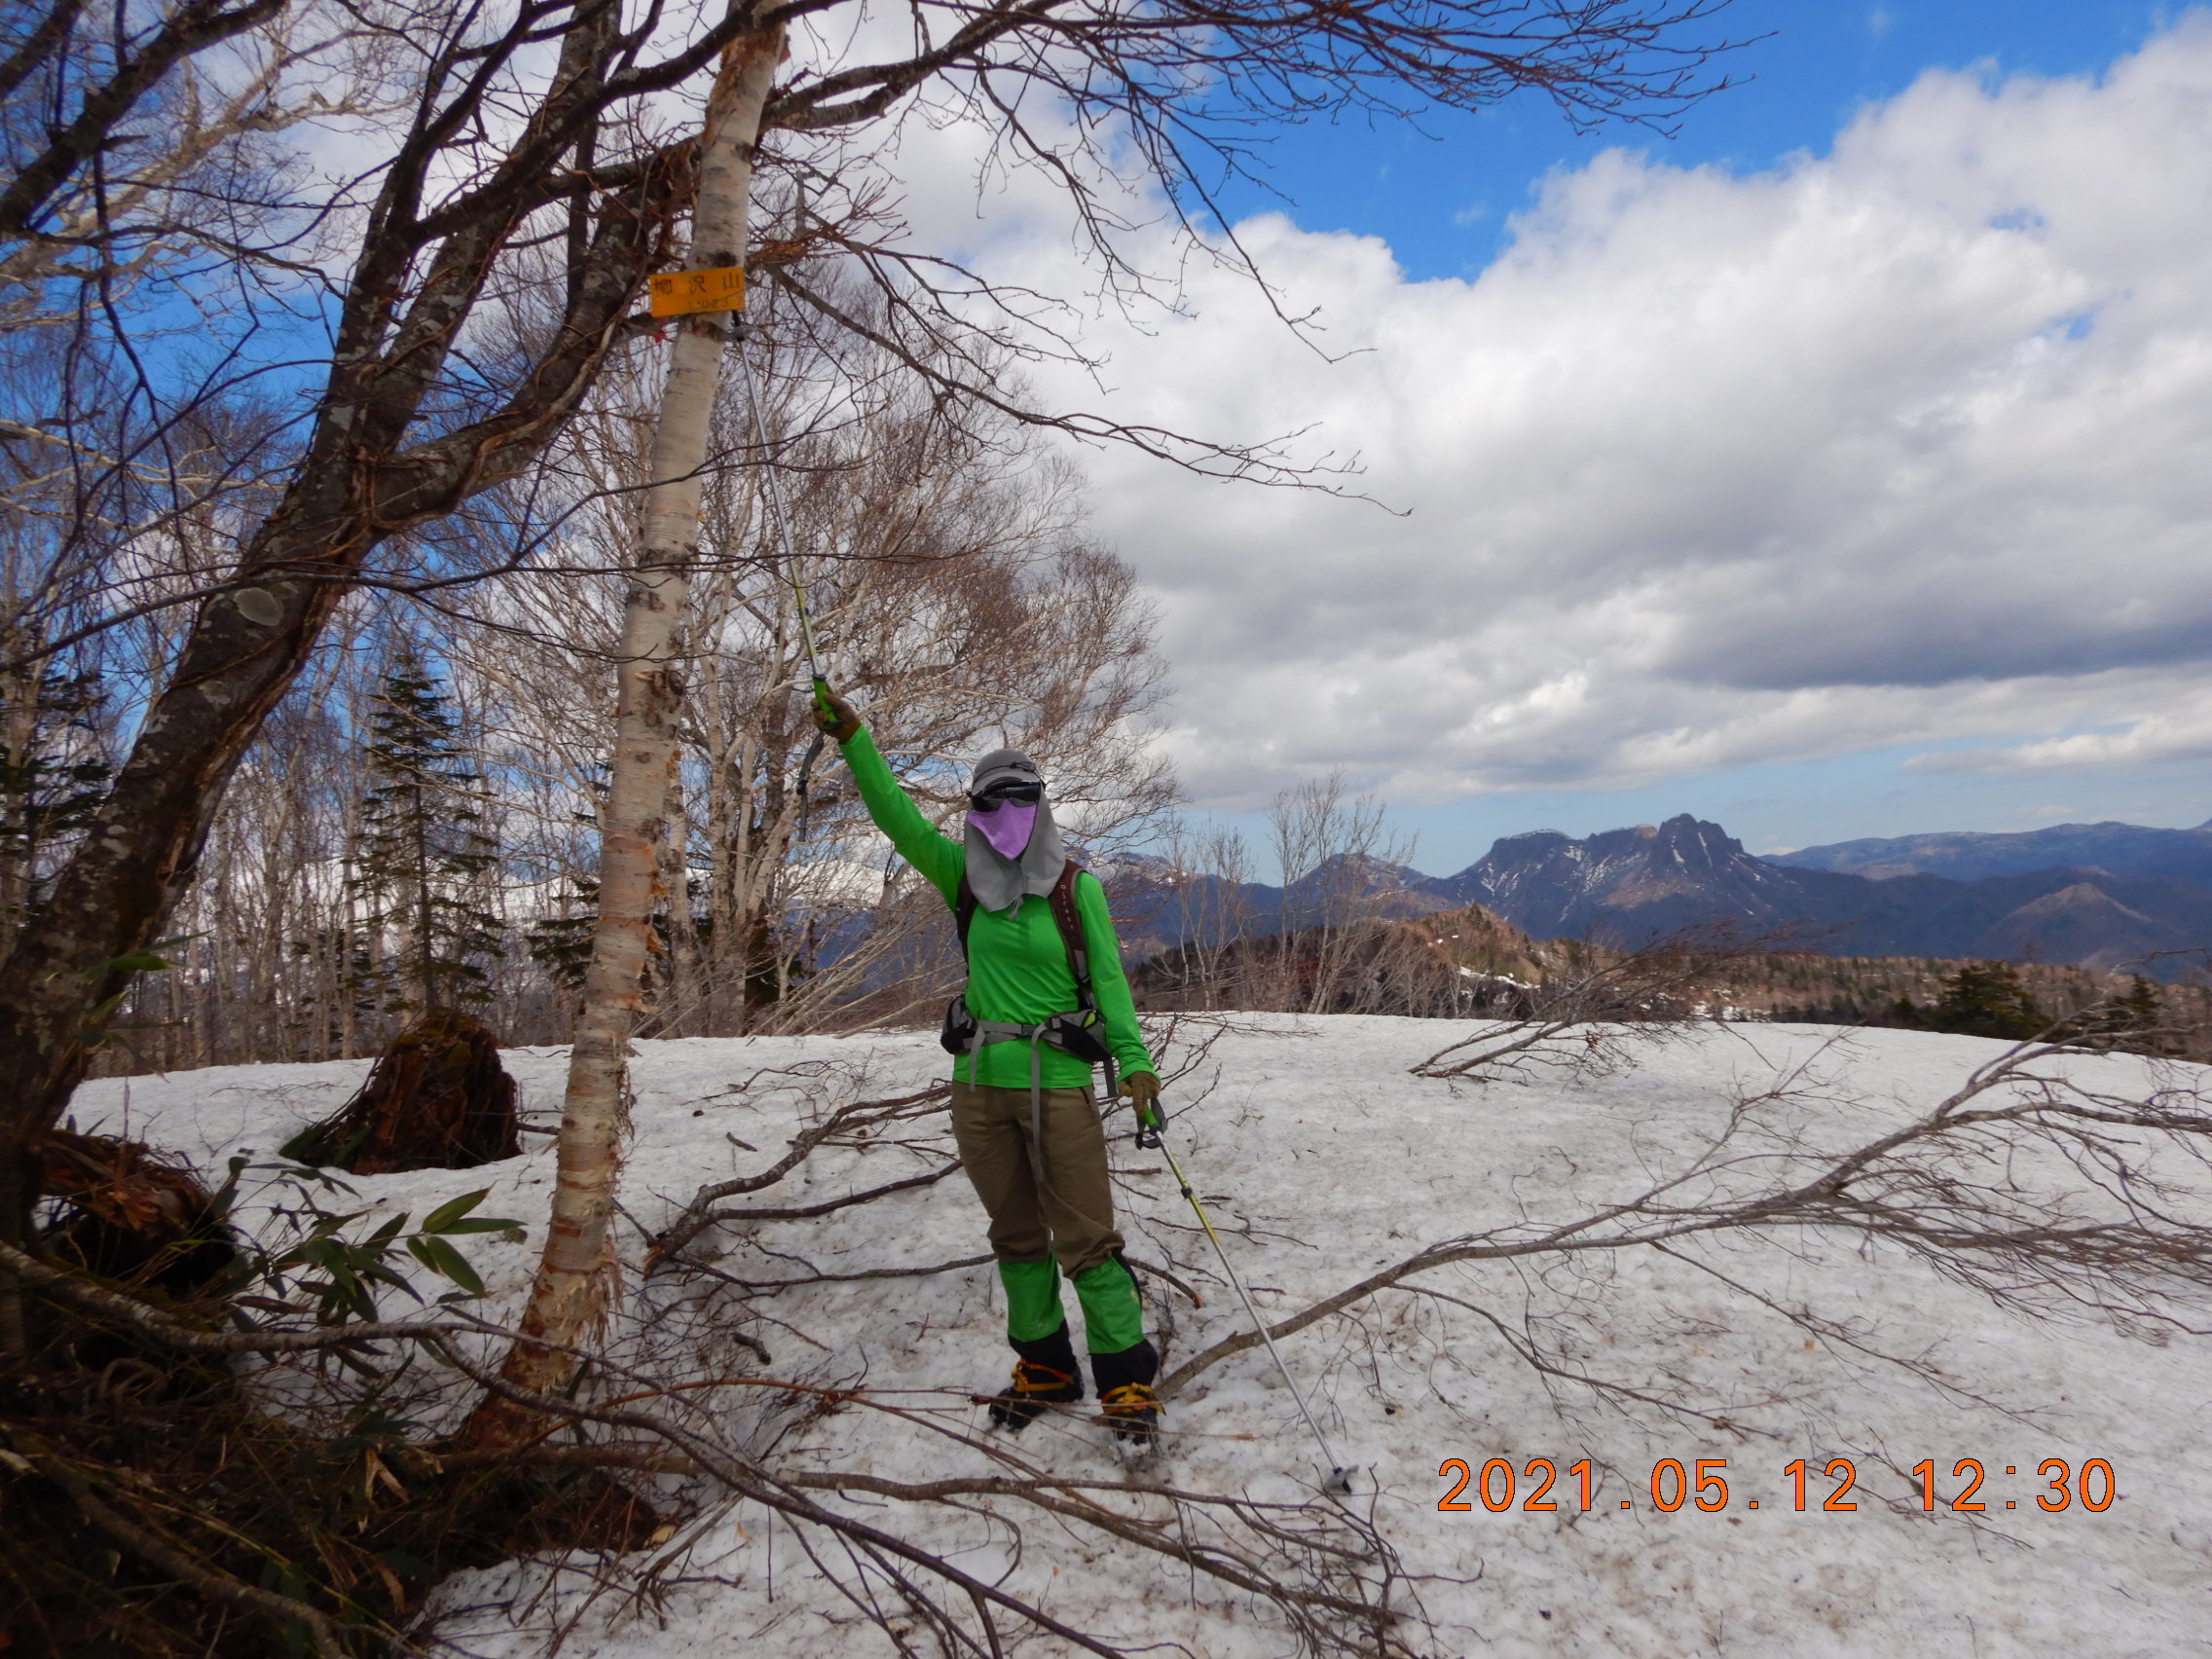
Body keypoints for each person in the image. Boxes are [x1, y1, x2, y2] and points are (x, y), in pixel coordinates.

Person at [813, 682, 1165, 1442]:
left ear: (1042, 805)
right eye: (990, 800)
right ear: (974, 809)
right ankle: (1046, 1368)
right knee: (1015, 1238)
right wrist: (855, 739)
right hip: (977, 1087)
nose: (1006, 812)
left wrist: (1136, 1066)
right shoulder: (963, 880)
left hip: (1059, 1085)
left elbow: (1111, 986)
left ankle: (1127, 1381)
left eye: (1020, 798)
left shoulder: (1075, 890)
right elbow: (898, 820)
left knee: (1087, 1240)